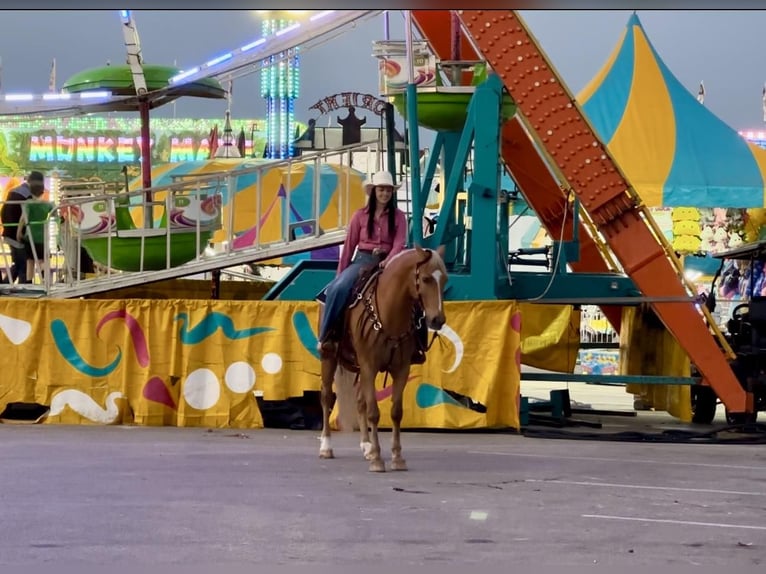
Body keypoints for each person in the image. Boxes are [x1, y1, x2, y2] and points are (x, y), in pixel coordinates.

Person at [317, 170, 408, 351]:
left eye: (388, 190)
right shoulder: (359, 215)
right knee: (338, 288)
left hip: (389, 263)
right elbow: (349, 246)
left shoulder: (398, 216)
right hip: (362, 261)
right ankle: (326, 336)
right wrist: (340, 274)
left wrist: (388, 260)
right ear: (374, 191)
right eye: (381, 189)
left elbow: (400, 243)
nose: (385, 193)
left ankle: (416, 345)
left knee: (415, 292)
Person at [1, 171, 44, 284]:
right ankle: (23, 288)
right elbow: (24, 217)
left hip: (9, 231)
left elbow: (4, 212)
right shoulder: (27, 196)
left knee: (19, 263)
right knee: (23, 264)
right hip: (17, 234)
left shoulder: (14, 191)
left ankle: (5, 285)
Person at [17, 180, 54, 283]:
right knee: (42, 259)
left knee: (30, 260)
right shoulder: (47, 204)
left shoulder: (28, 203)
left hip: (30, 236)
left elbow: (24, 218)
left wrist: (19, 231)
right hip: (43, 236)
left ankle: (29, 282)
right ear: (42, 192)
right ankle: (43, 273)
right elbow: (55, 214)